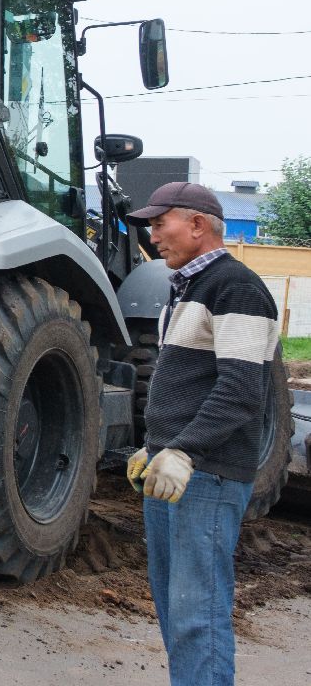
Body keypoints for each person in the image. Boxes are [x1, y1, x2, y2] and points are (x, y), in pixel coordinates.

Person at [125, 181, 279, 686]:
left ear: (197, 225)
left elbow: (241, 390)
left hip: (206, 475)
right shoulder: (187, 287)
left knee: (198, 612)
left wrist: (184, 451)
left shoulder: (236, 288)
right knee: (176, 609)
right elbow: (190, 383)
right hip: (173, 470)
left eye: (159, 224)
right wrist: (153, 448)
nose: (152, 236)